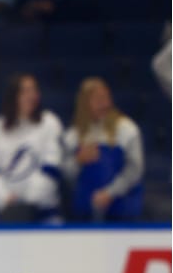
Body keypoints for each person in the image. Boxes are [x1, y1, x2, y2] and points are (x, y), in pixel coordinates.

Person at [0, 73, 64, 223]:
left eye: (34, 90)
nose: (32, 95)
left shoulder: (49, 122)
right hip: (8, 216)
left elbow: (52, 165)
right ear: (13, 96)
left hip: (44, 216)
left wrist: (27, 201)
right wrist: (5, 198)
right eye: (25, 91)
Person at [61, 77, 145, 222]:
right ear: (84, 104)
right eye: (97, 99)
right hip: (84, 215)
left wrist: (110, 192)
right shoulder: (72, 135)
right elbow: (66, 176)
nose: (104, 104)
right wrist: (78, 160)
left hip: (122, 212)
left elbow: (135, 169)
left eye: (106, 98)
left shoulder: (127, 129)